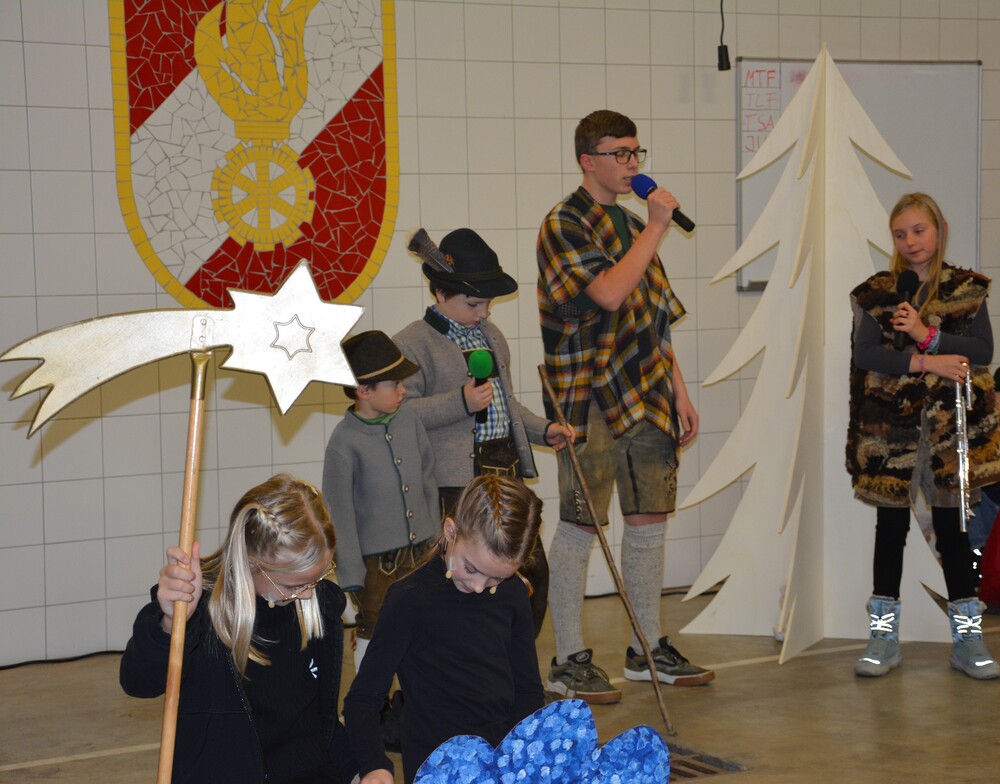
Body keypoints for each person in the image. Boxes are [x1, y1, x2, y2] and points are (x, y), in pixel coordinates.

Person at [536, 109, 713, 704]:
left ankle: (647, 647)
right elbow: (610, 293)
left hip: (648, 392)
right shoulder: (564, 223)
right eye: (621, 154)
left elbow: (653, 317)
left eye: (637, 152)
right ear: (588, 160)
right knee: (581, 522)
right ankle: (568, 658)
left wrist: (679, 389)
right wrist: (656, 228)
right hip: (587, 395)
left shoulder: (635, 223)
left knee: (648, 522)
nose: (633, 164)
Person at [846, 191, 1000, 680]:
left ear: (939, 230)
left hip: (949, 433)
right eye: (900, 234)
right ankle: (882, 637)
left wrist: (927, 335)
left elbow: (982, 350)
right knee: (890, 531)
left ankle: (968, 640)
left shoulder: (967, 290)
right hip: (890, 435)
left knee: (954, 533)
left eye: (919, 230)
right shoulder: (877, 293)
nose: (910, 242)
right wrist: (925, 361)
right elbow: (867, 354)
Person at [394, 227, 575, 637]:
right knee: (465, 577)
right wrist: (459, 402)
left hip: (504, 473)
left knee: (530, 569)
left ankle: (514, 655)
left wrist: (544, 430)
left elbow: (506, 404)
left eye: (488, 303)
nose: (484, 312)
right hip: (457, 484)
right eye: (474, 303)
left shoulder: (491, 336)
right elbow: (401, 413)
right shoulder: (412, 343)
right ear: (440, 293)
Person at [120, 474, 356, 783]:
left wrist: (358, 769)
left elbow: (322, 719)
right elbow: (138, 682)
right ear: (250, 563)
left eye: (318, 577)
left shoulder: (320, 605)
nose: (308, 594)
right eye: (293, 585)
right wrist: (170, 623)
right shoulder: (198, 609)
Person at [343, 474, 545, 784]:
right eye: (471, 568)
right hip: (436, 769)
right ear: (450, 531)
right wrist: (374, 765)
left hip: (502, 765)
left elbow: (528, 690)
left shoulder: (513, 592)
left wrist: (522, 757)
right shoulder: (409, 600)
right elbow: (362, 699)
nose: (479, 587)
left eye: (496, 578)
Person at [322, 330, 439, 673]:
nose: (403, 390)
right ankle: (371, 699)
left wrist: (435, 539)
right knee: (375, 630)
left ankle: (414, 696)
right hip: (374, 565)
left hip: (418, 553)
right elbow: (339, 513)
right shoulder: (344, 442)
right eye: (395, 384)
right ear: (364, 391)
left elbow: (428, 480)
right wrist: (350, 571)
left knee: (421, 626)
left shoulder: (410, 422)